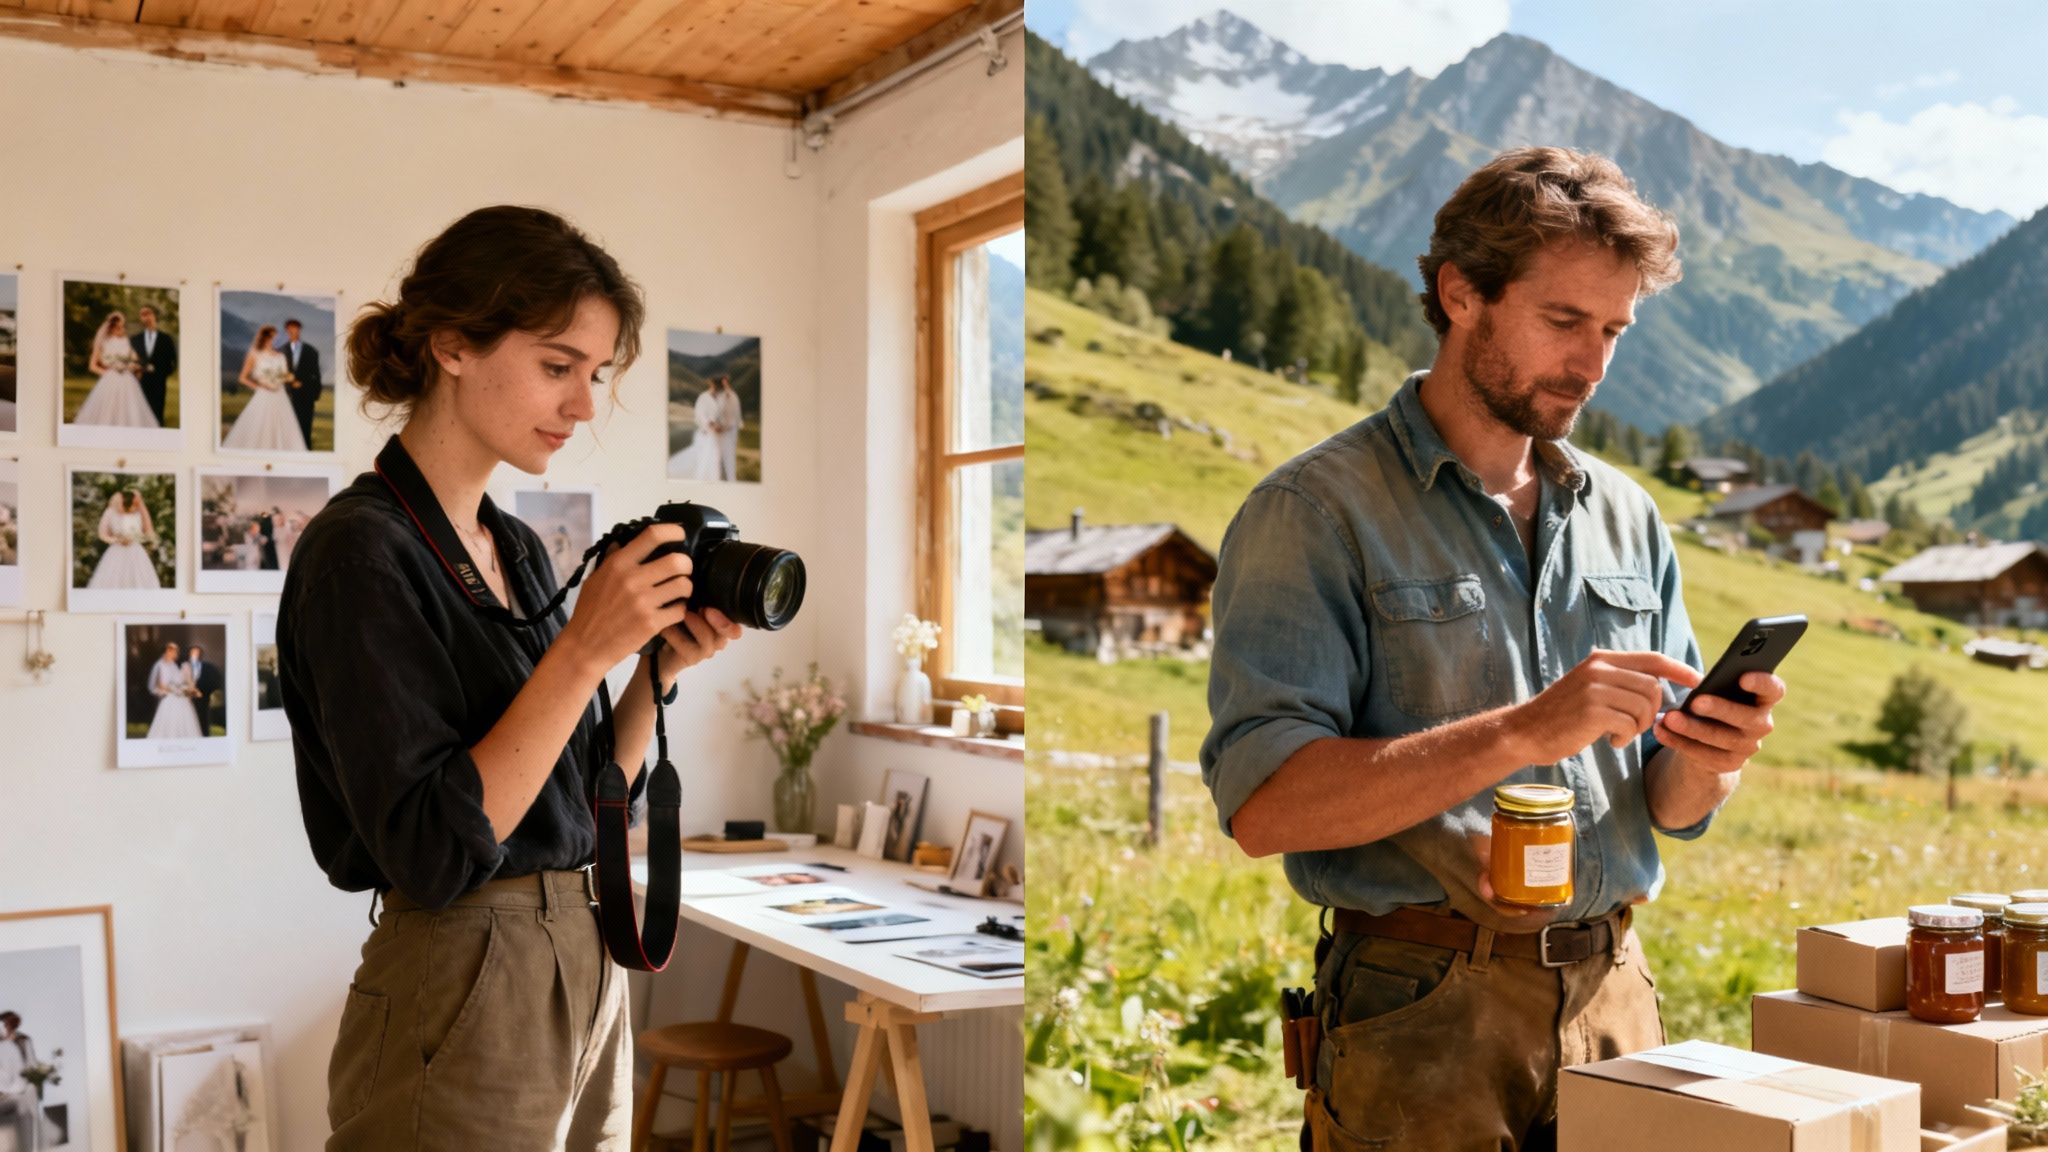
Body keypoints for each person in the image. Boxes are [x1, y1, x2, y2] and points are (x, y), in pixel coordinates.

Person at [1199, 147, 1788, 1152]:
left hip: (1616, 997)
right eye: (1563, 321)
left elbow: (1668, 802)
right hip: (1421, 1013)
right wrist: (1522, 731)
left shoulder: (1627, 517)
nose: (1592, 364)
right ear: (1460, 293)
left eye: (1612, 331)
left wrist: (1710, 756)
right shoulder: (1314, 510)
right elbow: (1265, 808)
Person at [278, 205, 743, 1151]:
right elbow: (435, 850)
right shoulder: (359, 554)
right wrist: (581, 652)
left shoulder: (517, 545)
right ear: (452, 344)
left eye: (595, 375)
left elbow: (581, 794)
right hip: (463, 972)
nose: (583, 406)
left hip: (583, 960)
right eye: (557, 366)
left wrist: (651, 671)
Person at [224, 324, 308, 452]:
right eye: (272, 337)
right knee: (260, 425)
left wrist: (290, 379)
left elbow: (284, 375)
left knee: (283, 426)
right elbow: (242, 378)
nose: (274, 340)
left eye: (275, 337)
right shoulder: (254, 354)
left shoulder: (281, 356)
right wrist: (259, 386)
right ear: (264, 337)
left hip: (280, 395)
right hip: (264, 395)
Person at [75, 311, 157, 428]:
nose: (122, 329)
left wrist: (133, 366)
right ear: (112, 327)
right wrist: (108, 373)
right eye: (119, 327)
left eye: (123, 326)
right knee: (108, 408)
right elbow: (92, 366)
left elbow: (134, 360)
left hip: (127, 379)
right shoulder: (103, 343)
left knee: (130, 407)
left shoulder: (126, 341)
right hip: (111, 379)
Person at [86, 490, 160, 589]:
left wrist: (138, 538)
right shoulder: (111, 512)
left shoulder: (139, 512)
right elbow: (102, 534)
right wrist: (117, 540)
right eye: (132, 504)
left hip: (136, 552)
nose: (135, 507)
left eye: (136, 504)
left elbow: (148, 532)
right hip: (116, 552)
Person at [146, 640, 204, 739]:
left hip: (181, 696)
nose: (174, 653)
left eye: (175, 651)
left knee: (185, 721)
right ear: (166, 651)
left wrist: (186, 688)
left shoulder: (174, 665)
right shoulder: (159, 665)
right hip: (170, 697)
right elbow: (158, 684)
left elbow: (179, 681)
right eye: (171, 650)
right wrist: (173, 690)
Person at [666, 382, 725, 480]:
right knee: (704, 455)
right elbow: (702, 416)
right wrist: (710, 425)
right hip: (706, 434)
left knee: (711, 457)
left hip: (712, 436)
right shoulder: (705, 399)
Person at [132, 303, 177, 426]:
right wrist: (138, 370)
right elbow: (131, 360)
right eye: (142, 315)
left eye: (148, 313)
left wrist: (161, 374)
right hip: (140, 381)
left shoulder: (166, 339)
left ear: (155, 315)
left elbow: (173, 362)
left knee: (157, 414)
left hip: (159, 382)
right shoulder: (135, 339)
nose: (145, 317)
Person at [282, 317, 323, 449]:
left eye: (295, 328)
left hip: (306, 396)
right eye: (290, 329)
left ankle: (306, 454)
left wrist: (314, 393)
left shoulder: (311, 351)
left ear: (299, 330)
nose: (292, 331)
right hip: (286, 397)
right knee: (286, 429)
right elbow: (279, 375)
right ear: (286, 330)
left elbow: (316, 375)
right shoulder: (280, 351)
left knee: (305, 429)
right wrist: (289, 384)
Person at [0, 1010, 36, 1152]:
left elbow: (31, 1068)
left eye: (6, 1026)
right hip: (5, 1097)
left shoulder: (23, 1042)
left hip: (18, 1095)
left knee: (24, 1108)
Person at [186, 644, 222, 735]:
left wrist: (203, 692)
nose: (194, 655)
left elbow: (214, 682)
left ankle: (204, 736)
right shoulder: (184, 666)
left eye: (196, 653)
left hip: (203, 698)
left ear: (200, 655)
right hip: (187, 698)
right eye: (192, 652)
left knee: (203, 719)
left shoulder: (208, 667)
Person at [714, 374, 743, 481]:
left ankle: (730, 479)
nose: (724, 385)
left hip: (730, 431)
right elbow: (718, 413)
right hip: (722, 431)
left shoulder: (732, 396)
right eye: (722, 383)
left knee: (729, 457)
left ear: (727, 383)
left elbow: (735, 416)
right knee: (720, 457)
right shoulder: (721, 396)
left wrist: (724, 428)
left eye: (725, 383)